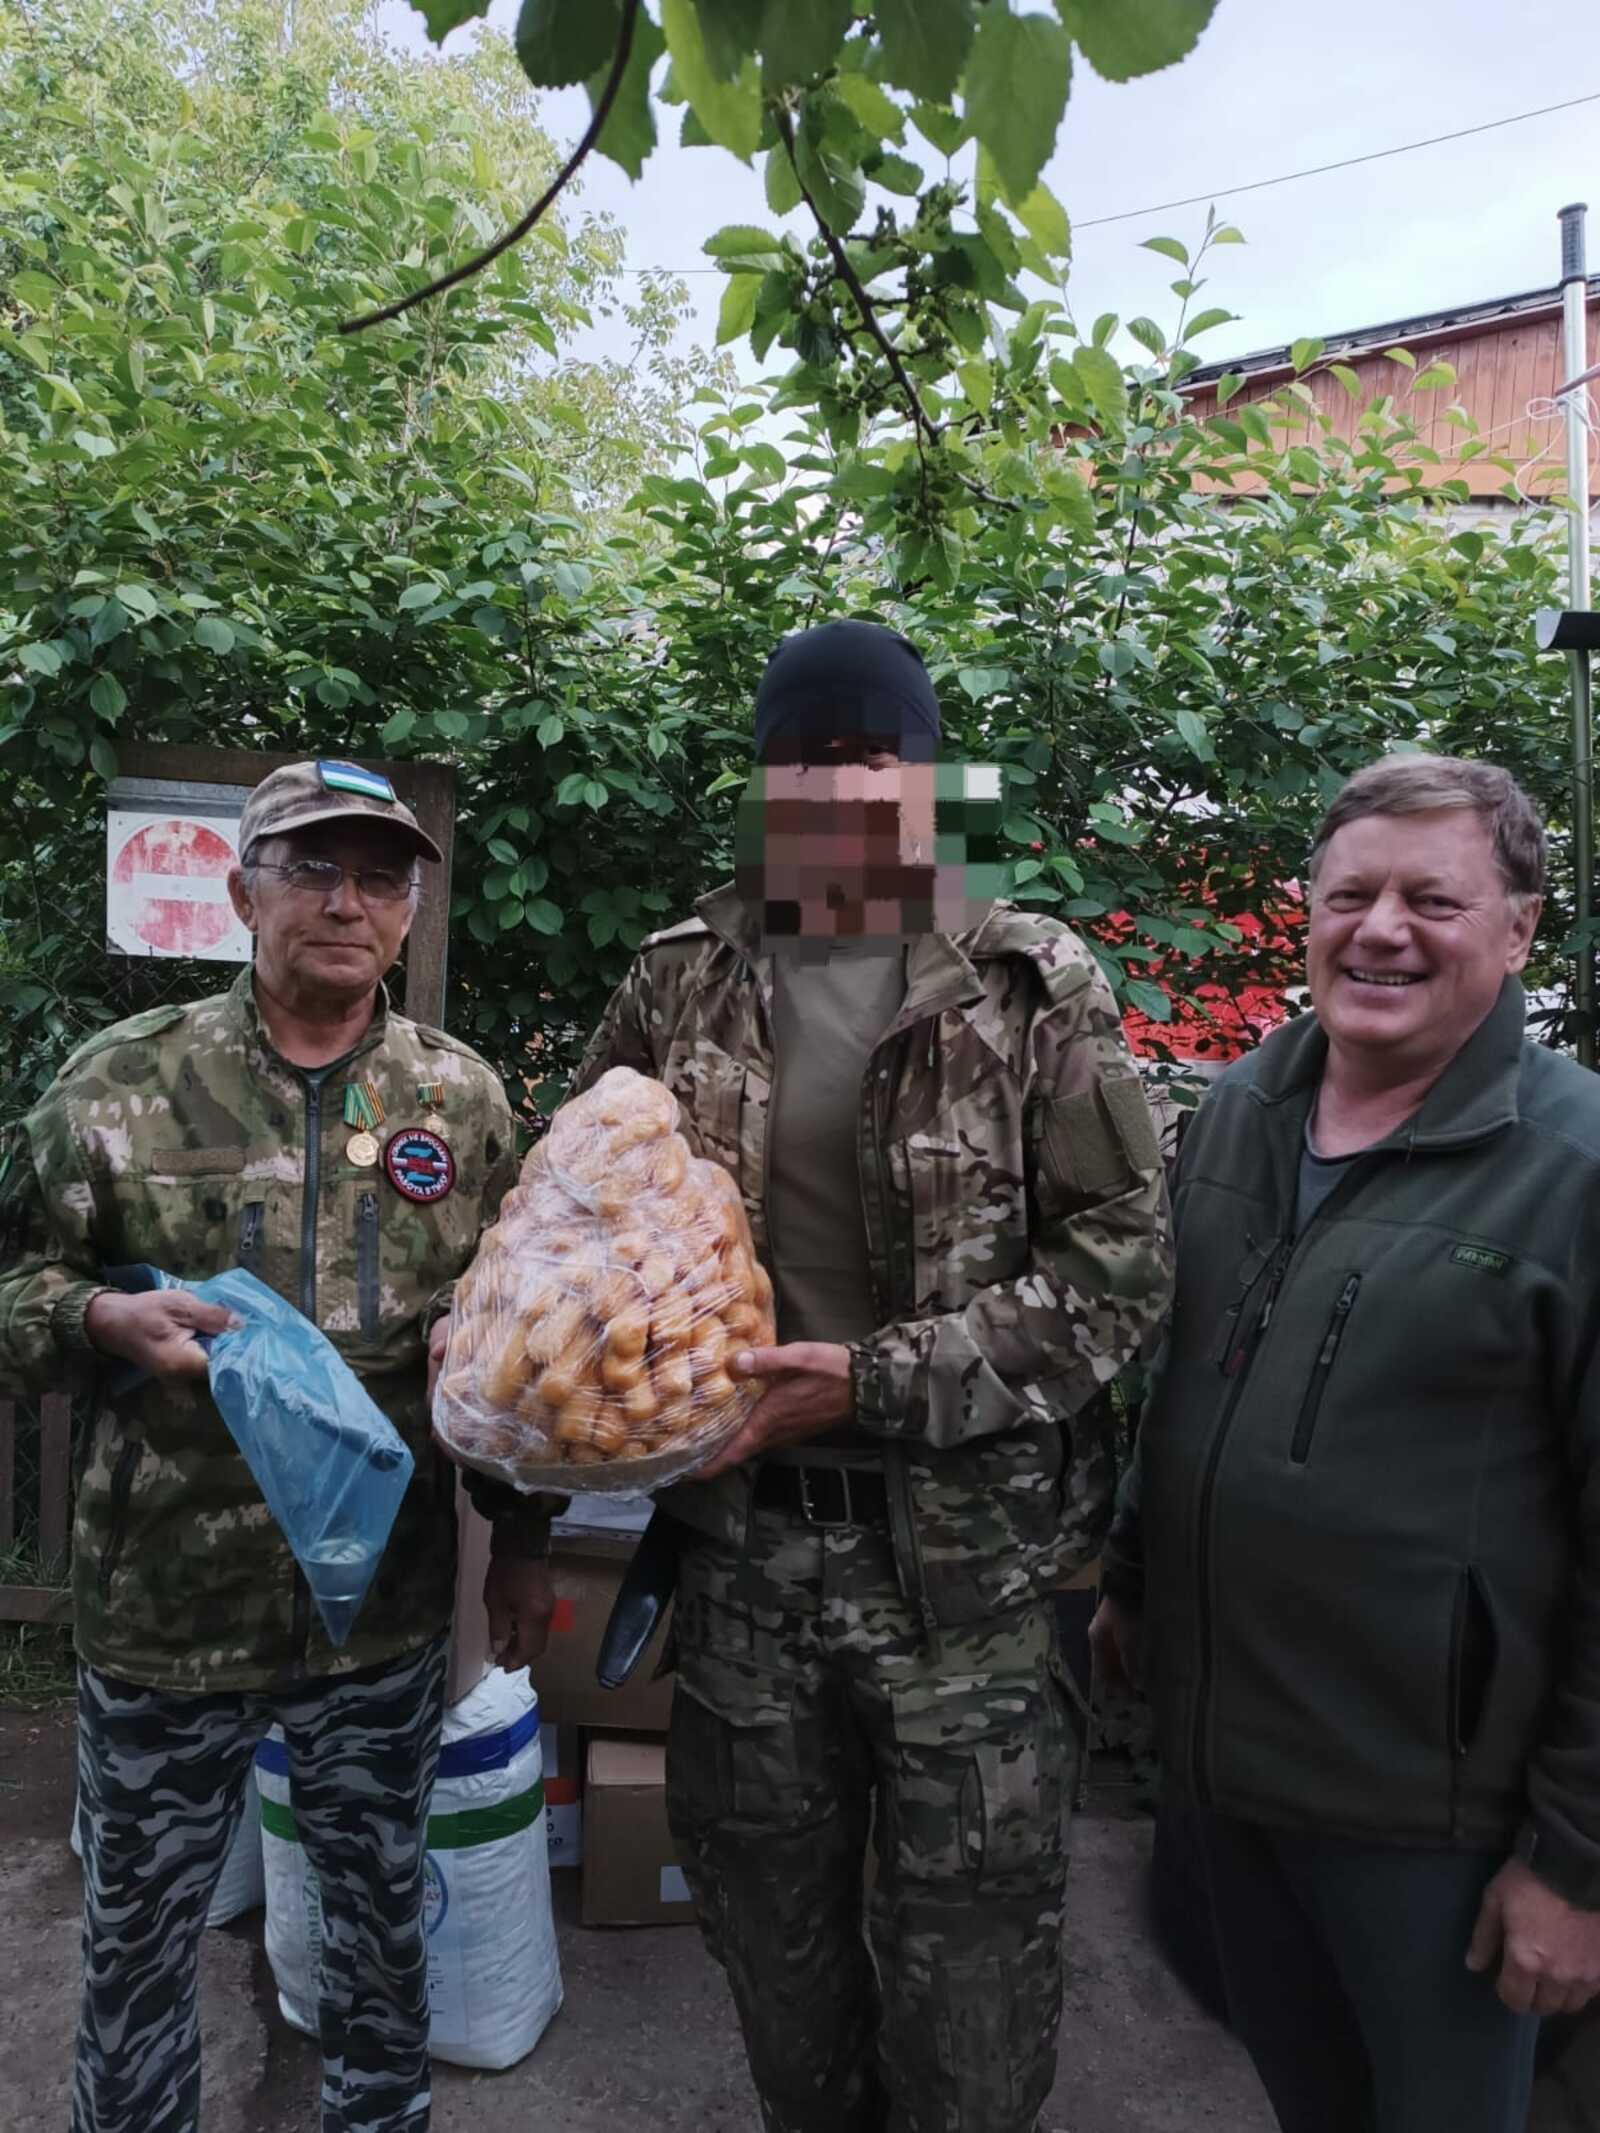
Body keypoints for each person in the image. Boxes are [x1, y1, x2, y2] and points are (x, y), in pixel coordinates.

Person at [540, 618, 1173, 2133]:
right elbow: (580, 1207)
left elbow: (1126, 1261)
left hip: (972, 1581)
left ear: (930, 777)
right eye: (801, 756)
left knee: (974, 1988)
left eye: (870, 754)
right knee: (775, 1951)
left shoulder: (1023, 982)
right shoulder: (682, 978)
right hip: (746, 1560)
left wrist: (878, 1381)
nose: (834, 784)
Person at [0, 759, 553, 2133]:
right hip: (166, 1604)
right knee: (136, 1946)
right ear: (242, 888)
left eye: (378, 876)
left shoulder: (463, 1102)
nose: (344, 901)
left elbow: (521, 1346)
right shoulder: (117, 1086)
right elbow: (15, 1296)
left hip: (382, 1609)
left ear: (411, 910)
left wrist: (521, 1541)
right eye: (311, 867)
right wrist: (97, 1312)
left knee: (379, 1941)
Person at [1091, 755, 1600, 2133]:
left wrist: (1576, 1862)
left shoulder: (1573, 1171)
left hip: (1432, 1824)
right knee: (1308, 2097)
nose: (1381, 928)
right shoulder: (1248, 1106)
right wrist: (1132, 1573)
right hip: (1229, 1772)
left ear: (1518, 930)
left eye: (1432, 898)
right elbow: (1194, 1370)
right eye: (1350, 893)